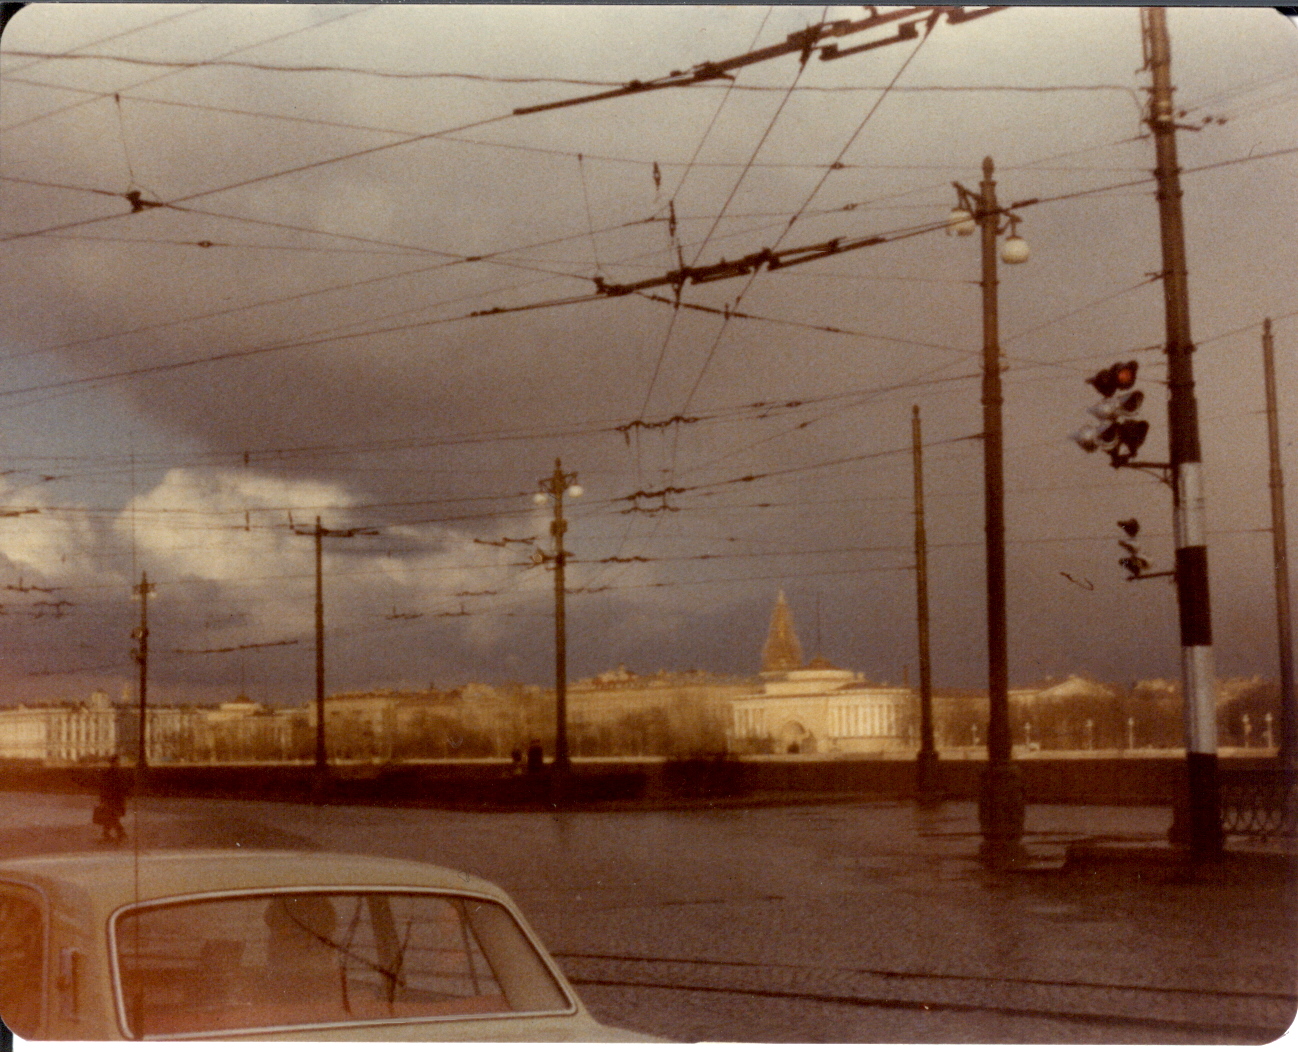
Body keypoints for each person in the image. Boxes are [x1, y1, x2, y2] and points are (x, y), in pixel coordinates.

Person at [93, 756, 129, 843]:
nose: (119, 763)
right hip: (113, 800)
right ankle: (120, 833)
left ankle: (107, 834)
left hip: (114, 799)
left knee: (111, 817)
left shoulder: (114, 773)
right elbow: (106, 788)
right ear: (113, 763)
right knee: (114, 817)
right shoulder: (113, 773)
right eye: (117, 762)